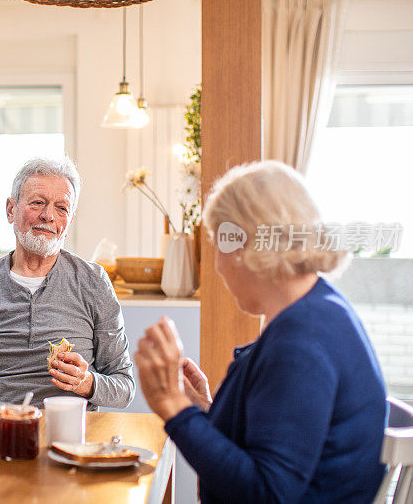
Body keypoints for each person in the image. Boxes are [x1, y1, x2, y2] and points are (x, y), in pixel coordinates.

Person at [135, 161, 386, 503]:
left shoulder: (301, 342)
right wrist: (206, 410)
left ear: (245, 246)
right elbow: (283, 436)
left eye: (217, 247)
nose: (218, 267)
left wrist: (174, 407)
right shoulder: (320, 308)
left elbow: (267, 493)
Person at [0, 157, 135, 409]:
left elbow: (125, 388)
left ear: (70, 220)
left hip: (65, 433)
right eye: (38, 202)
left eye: (61, 208)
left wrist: (87, 382)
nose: (48, 215)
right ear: (11, 209)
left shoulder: (93, 281)